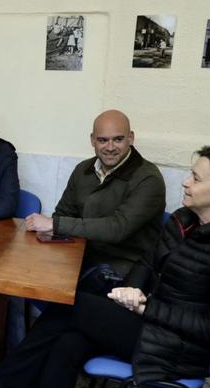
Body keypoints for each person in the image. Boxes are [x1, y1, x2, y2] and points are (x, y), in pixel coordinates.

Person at [0, 146, 210, 388]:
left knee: (74, 305)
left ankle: (7, 379)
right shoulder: (185, 220)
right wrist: (128, 294)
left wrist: (146, 306)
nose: (185, 182)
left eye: (196, 178)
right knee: (69, 342)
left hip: (181, 349)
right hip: (152, 322)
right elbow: (147, 261)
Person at [24, 109, 165, 288]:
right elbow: (64, 213)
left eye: (118, 139)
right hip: (80, 259)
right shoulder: (83, 169)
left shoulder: (148, 178)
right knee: (31, 278)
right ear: (92, 140)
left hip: (125, 272)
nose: (111, 147)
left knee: (63, 306)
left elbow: (118, 228)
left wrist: (55, 224)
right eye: (103, 140)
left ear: (131, 138)